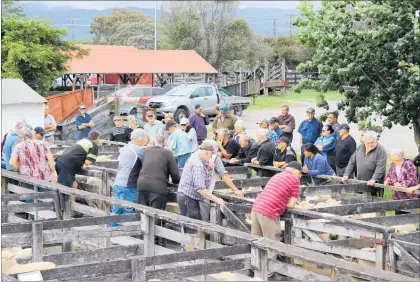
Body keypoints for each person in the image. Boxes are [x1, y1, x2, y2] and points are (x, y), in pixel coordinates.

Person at [251, 161, 302, 278]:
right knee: (271, 244)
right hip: (269, 212)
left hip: (256, 208)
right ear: (294, 170)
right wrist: (286, 203)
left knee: (257, 243)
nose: (300, 176)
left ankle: (256, 272)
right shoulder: (295, 180)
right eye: (299, 173)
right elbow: (292, 204)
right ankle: (268, 274)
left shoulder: (277, 175)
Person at [177, 140, 227, 224]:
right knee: (192, 228)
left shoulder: (197, 157)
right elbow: (201, 189)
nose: (211, 157)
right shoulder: (198, 165)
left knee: (194, 226)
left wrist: (209, 166)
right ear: (206, 153)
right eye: (211, 155)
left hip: (189, 197)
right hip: (188, 198)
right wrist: (217, 200)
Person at [111, 129, 148, 225]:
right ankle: (128, 235)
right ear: (140, 139)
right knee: (129, 210)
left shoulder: (124, 147)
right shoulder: (139, 149)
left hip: (118, 182)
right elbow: (147, 163)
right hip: (128, 184)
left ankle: (112, 232)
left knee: (117, 209)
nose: (144, 142)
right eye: (144, 140)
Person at [138, 134, 180, 209]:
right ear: (165, 143)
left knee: (142, 213)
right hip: (158, 187)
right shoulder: (167, 153)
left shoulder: (145, 150)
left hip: (142, 184)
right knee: (156, 215)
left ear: (153, 142)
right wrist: (176, 181)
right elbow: (175, 174)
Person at [55, 130, 101, 199]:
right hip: (67, 165)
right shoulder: (93, 145)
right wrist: (84, 166)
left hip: (60, 161)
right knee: (65, 189)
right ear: (97, 138)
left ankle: (70, 205)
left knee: (73, 184)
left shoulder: (83, 141)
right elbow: (88, 161)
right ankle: (65, 207)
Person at [342, 131, 387, 195]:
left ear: (376, 141)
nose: (370, 144)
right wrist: (346, 174)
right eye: (368, 143)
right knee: (359, 202)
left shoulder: (381, 151)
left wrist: (374, 179)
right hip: (359, 182)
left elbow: (380, 167)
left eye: (372, 142)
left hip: (374, 186)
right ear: (364, 142)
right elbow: (352, 162)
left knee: (373, 203)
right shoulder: (360, 147)